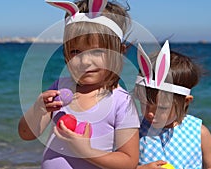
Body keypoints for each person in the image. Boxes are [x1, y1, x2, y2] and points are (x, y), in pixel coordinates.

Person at [18, 0, 140, 168]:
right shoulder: (59, 89)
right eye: (75, 51)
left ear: (119, 53)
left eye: (97, 51)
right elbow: (25, 134)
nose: (85, 61)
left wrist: (86, 151)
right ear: (66, 54)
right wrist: (38, 110)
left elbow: (129, 161)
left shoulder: (121, 102)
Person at [134, 41, 211, 169]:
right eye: (144, 104)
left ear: (186, 101)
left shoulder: (198, 132)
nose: (150, 113)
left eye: (162, 108)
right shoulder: (135, 130)